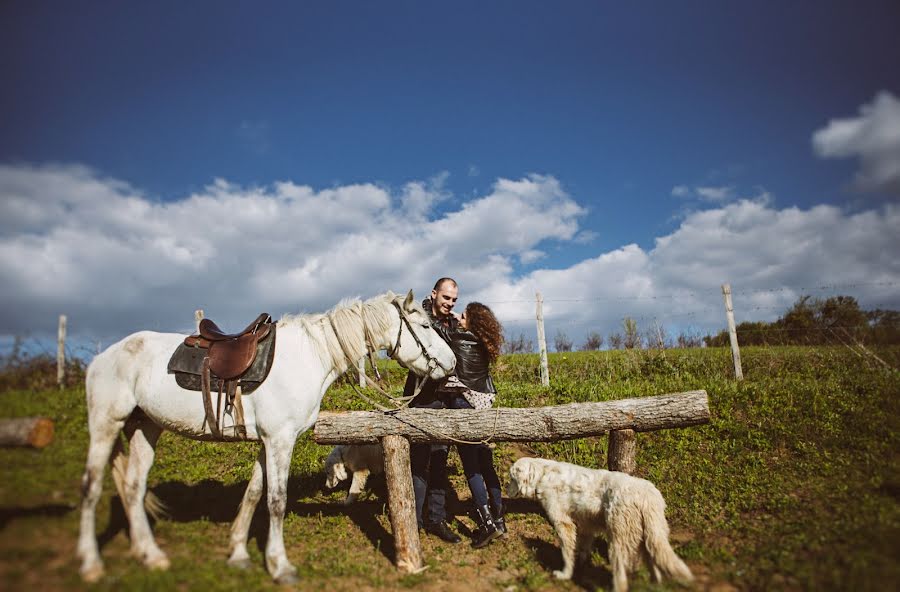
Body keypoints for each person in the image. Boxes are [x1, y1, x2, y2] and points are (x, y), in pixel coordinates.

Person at [438, 302, 506, 548]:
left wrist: (428, 305)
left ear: (472, 323)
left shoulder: (458, 338)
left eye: (464, 316)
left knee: (471, 467)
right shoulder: (483, 341)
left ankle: (487, 525)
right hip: (483, 405)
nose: (458, 317)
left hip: (462, 404)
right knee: (486, 464)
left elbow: (438, 328)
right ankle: (499, 520)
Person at [405, 277, 462, 543]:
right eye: (446, 297)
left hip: (445, 400)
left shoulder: (453, 324)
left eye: (453, 299)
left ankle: (435, 519)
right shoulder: (419, 318)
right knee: (418, 462)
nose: (449, 303)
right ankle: (414, 522)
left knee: (439, 461)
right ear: (434, 294)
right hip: (422, 398)